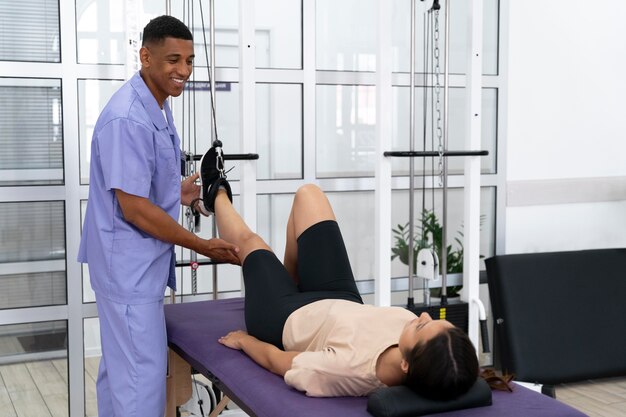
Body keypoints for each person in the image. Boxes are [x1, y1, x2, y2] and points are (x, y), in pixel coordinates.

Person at [200, 148, 479, 400]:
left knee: (249, 243)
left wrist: (245, 340)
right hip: (341, 298)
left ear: (406, 365)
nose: (424, 316)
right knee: (309, 196)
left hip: (283, 319)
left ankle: (215, 192)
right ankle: (286, 280)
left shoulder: (347, 371)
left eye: (422, 326)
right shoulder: (417, 342)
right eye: (432, 321)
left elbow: (277, 361)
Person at [77, 16, 239, 417]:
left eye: (189, 60)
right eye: (173, 59)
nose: (183, 70)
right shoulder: (128, 118)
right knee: (141, 382)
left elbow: (142, 185)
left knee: (120, 376)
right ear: (145, 56)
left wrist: (177, 193)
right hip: (127, 271)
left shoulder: (158, 106)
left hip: (132, 267)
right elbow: (134, 209)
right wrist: (203, 245)